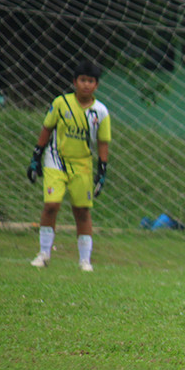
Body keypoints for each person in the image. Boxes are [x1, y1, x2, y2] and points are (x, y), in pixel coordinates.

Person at [26, 60, 110, 272]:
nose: (86, 85)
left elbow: (102, 142)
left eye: (91, 81)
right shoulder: (61, 103)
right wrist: (36, 156)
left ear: (96, 85)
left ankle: (84, 260)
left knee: (82, 211)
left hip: (82, 165)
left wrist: (102, 171)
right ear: (75, 82)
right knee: (51, 205)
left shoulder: (100, 112)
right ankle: (44, 254)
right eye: (82, 80)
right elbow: (47, 128)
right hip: (56, 160)